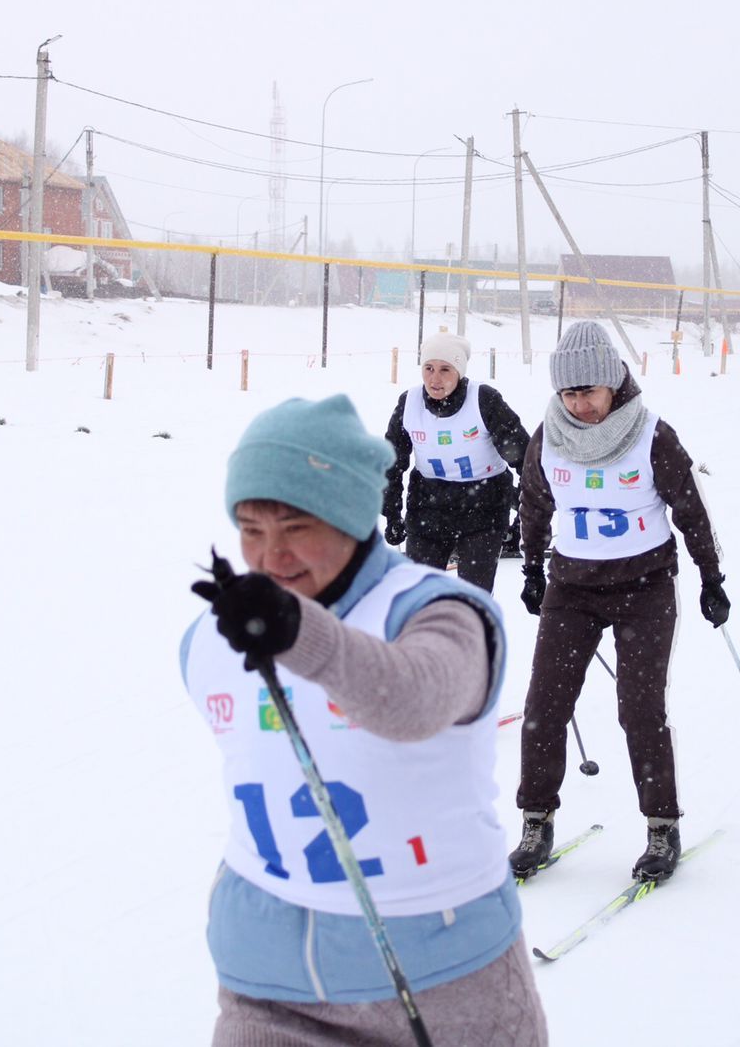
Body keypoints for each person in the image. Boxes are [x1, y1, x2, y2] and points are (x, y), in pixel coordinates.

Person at [181, 394, 547, 1046]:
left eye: (297, 526)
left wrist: (300, 633)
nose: (271, 556)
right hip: (267, 986)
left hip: (441, 979)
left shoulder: (439, 611)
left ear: (352, 516)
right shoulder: (210, 637)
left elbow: (413, 700)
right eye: (251, 528)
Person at [511, 321, 729, 884]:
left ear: (613, 384)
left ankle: (662, 827)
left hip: (644, 590)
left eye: (589, 391)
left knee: (639, 711)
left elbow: (689, 509)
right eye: (569, 393)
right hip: (572, 591)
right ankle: (536, 821)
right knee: (544, 708)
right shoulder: (547, 436)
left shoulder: (651, 435)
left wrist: (711, 576)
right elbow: (534, 505)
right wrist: (532, 568)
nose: (579, 404)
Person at [382, 331, 530, 592]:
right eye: (428, 368)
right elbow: (391, 463)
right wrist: (392, 513)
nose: (434, 378)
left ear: (459, 372)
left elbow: (527, 460)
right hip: (429, 508)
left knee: (472, 600)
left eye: (445, 369)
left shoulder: (484, 400)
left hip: (483, 509)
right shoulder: (409, 403)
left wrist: (526, 513)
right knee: (419, 598)